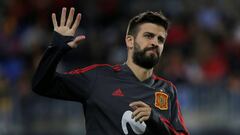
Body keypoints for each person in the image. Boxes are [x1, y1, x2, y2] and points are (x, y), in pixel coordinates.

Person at [32, 7, 190, 135]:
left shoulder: (167, 90)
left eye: (160, 39)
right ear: (130, 41)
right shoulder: (98, 77)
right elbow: (41, 85)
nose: (155, 42)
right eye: (148, 36)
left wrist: (154, 119)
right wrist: (55, 50)